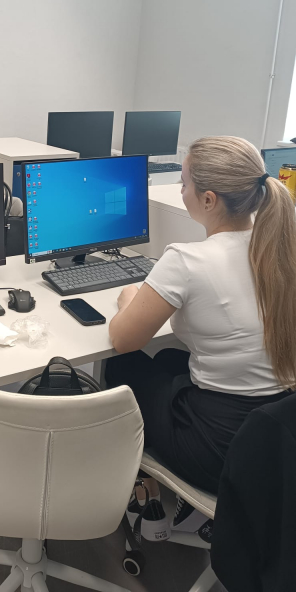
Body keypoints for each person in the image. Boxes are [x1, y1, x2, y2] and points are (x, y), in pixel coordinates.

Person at [105, 136, 295, 536]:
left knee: (122, 365)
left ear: (209, 200)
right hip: (281, 435)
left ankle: (141, 490)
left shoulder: (187, 260)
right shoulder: (281, 249)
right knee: (168, 359)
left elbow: (124, 339)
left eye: (185, 183)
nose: (180, 191)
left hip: (220, 451)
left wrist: (129, 297)